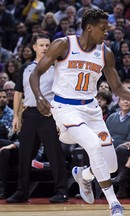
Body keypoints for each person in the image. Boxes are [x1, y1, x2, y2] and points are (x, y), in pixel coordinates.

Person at [29, 9, 130, 216]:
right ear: (88, 27)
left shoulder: (105, 53)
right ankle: (114, 204)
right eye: (102, 29)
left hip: (92, 110)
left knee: (111, 165)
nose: (106, 33)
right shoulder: (64, 45)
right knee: (93, 145)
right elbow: (36, 73)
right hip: (66, 108)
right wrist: (39, 96)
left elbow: (118, 88)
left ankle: (84, 175)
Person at [6, 34, 69, 204]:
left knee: (54, 154)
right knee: (24, 155)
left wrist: (59, 117)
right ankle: (22, 192)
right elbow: (19, 92)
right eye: (41, 45)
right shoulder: (26, 67)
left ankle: (62, 191)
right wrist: (16, 116)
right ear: (34, 47)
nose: (45, 48)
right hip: (30, 114)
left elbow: (60, 93)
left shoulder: (57, 67)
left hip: (49, 115)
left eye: (47, 45)